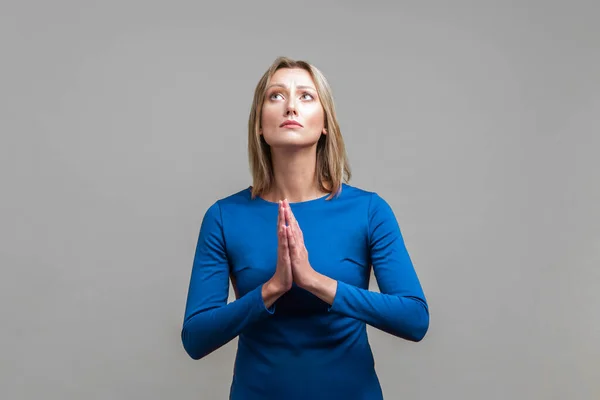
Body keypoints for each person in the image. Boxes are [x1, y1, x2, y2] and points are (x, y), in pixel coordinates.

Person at [181, 56, 429, 399]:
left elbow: (415, 319)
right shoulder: (225, 216)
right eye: (276, 96)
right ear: (259, 124)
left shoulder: (369, 211)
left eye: (306, 96)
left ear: (325, 122)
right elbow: (195, 338)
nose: (291, 107)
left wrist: (316, 282)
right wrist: (271, 290)